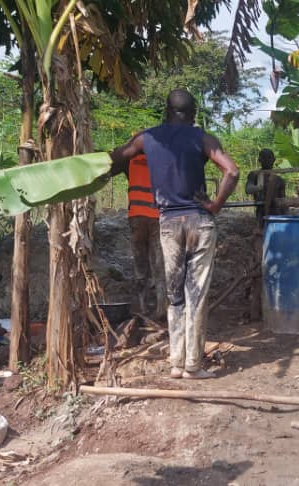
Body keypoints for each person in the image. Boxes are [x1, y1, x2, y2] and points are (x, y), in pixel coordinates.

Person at [110, 89, 239, 380]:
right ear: (193, 113)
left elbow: (116, 157)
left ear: (166, 111)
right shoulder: (202, 138)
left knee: (175, 294)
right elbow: (231, 171)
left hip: (168, 223)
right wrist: (216, 205)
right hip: (199, 222)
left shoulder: (147, 138)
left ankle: (176, 363)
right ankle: (194, 365)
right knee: (196, 295)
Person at [111, 152, 166, 317]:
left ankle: (143, 306)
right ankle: (161, 306)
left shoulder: (129, 160)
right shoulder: (161, 158)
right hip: (156, 217)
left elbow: (111, 165)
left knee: (140, 262)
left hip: (136, 217)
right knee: (159, 262)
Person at [245, 149, 286, 227]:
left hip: (277, 212)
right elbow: (248, 189)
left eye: (269, 158)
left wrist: (286, 217)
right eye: (264, 158)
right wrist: (259, 188)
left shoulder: (280, 180)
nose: (267, 160)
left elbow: (283, 201)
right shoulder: (254, 175)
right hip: (261, 211)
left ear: (274, 160)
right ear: (260, 160)